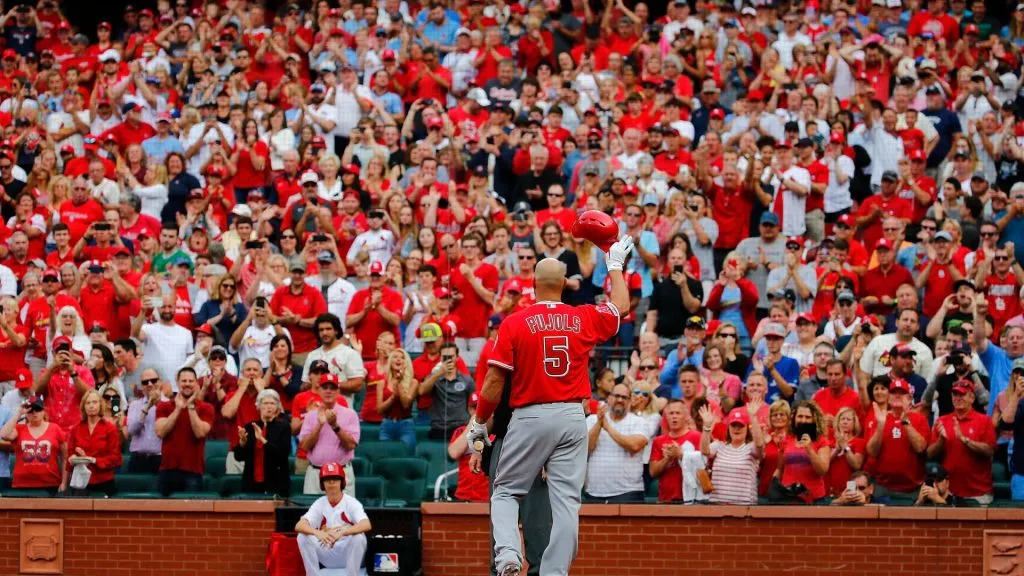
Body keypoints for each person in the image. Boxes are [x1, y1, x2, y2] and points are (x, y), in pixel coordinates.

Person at [466, 235, 632, 576]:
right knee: (567, 504)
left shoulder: (513, 322)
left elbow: (494, 382)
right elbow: (621, 306)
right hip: (573, 415)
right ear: (565, 284)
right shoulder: (582, 317)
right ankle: (554, 572)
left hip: (530, 415)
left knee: (505, 492)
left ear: (533, 283)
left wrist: (479, 423)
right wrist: (614, 266)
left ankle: (509, 556)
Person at [294, 461, 371, 576]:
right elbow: (299, 526)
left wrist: (343, 533)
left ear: (342, 482)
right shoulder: (319, 503)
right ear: (322, 484)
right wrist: (316, 532)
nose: (331, 482)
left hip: (346, 552)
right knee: (303, 537)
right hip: (327, 551)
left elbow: (366, 524)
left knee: (359, 537)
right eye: (327, 479)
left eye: (335, 479)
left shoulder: (351, 502)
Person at [926, 379, 996, 505]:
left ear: (972, 398)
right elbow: (930, 454)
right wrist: (941, 440)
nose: (958, 398)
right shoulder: (942, 421)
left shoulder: (984, 421)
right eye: (955, 394)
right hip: (949, 493)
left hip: (978, 494)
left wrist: (965, 440)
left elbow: (989, 451)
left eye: (962, 394)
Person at [584, 382, 648, 503]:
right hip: (595, 492)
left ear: (630, 401)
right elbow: (586, 447)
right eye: (616, 396)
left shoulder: (639, 422)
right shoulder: (592, 420)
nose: (619, 400)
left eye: (624, 397)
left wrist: (608, 428)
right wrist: (599, 423)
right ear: (608, 398)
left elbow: (634, 446)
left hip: (629, 492)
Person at [154, 367, 214, 496]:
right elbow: (161, 432)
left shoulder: (206, 408)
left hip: (193, 472)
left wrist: (191, 407)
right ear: (178, 382)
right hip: (167, 470)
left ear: (196, 383)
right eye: (184, 381)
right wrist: (177, 409)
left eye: (191, 381)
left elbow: (200, 433)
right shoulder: (164, 406)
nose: (187, 384)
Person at [299, 374, 360, 496]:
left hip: (341, 473)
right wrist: (319, 425)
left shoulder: (350, 414)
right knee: (314, 513)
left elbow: (351, 445)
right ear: (319, 390)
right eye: (325, 387)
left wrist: (335, 426)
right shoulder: (310, 416)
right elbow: (304, 446)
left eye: (332, 388)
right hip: (316, 473)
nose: (328, 391)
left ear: (338, 391)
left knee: (343, 513)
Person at [700, 402, 765, 505]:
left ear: (747, 428)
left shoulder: (750, 448)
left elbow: (760, 445)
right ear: (728, 427)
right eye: (733, 425)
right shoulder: (719, 446)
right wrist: (707, 426)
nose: (737, 429)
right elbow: (704, 450)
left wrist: (753, 417)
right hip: (718, 505)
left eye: (741, 425)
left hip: (744, 507)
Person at [0, 395, 67, 493]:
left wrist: (64, 482)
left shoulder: (55, 429)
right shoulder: (19, 429)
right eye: (30, 410)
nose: (34, 412)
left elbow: (65, 458)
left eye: (38, 409)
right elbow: (4, 434)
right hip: (21, 484)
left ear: (43, 411)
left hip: (50, 484)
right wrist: (18, 414)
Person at [233, 389, 292, 498]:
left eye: (272, 403)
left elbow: (282, 454)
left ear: (277, 408)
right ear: (259, 406)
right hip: (251, 483)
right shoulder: (250, 427)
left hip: (276, 484)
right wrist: (242, 443)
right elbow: (238, 457)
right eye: (265, 403)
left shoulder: (283, 427)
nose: (269, 406)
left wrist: (262, 440)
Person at [65, 388, 122, 496]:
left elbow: (116, 459)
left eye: (94, 402)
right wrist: (74, 458)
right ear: (84, 406)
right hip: (81, 482)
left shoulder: (110, 429)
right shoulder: (75, 429)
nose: (91, 406)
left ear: (100, 404)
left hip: (104, 481)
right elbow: (69, 457)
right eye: (88, 403)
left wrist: (93, 460)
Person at [774, 400, 830, 504]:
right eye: (800, 416)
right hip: (788, 497)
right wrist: (773, 488)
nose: (803, 420)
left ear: (814, 419)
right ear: (794, 418)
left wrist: (809, 449)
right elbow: (780, 469)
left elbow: (822, 470)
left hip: (814, 500)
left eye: (808, 417)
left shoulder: (821, 440)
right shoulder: (787, 439)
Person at [419, 341, 475, 440]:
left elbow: (473, 404)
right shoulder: (434, 378)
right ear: (440, 358)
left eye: (451, 356)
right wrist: (438, 374)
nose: (448, 360)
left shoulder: (467, 380)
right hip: (439, 427)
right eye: (445, 357)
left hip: (460, 427)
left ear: (457, 357)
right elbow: (422, 391)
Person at [124, 368, 164, 473]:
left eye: (153, 380)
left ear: (160, 382)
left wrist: (158, 404)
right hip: (138, 459)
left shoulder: (169, 404)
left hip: (161, 459)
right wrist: (146, 408)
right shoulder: (134, 405)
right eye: (145, 382)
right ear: (142, 386)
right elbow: (131, 430)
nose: (150, 384)